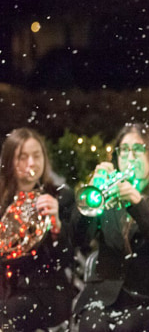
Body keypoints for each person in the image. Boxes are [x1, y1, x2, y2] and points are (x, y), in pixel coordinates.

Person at [71, 123, 149, 332]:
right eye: (124, 151)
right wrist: (94, 187)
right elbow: (79, 239)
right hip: (103, 298)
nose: (130, 157)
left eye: (138, 150)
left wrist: (136, 203)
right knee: (92, 327)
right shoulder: (106, 195)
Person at [0, 127, 76, 331]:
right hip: (6, 288)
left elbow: (66, 258)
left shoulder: (62, 197)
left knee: (7, 315)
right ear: (9, 162)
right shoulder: (2, 202)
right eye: (22, 157)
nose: (31, 163)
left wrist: (57, 225)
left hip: (48, 289)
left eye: (36, 155)